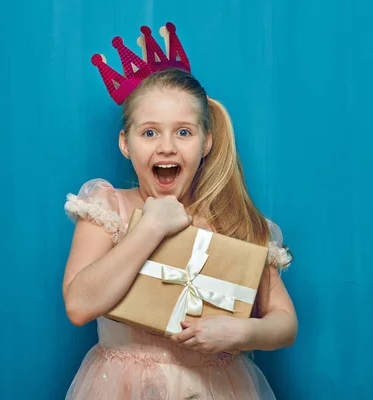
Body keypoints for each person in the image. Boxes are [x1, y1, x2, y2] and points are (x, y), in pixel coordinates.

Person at [62, 23, 297, 399]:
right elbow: (78, 305)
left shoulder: (234, 221)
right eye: (150, 133)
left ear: (206, 142)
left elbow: (285, 323)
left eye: (184, 132)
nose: (167, 147)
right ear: (126, 143)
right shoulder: (109, 209)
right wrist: (150, 227)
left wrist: (240, 332)